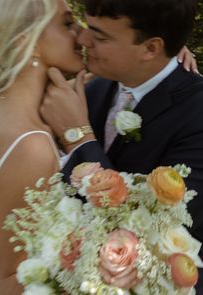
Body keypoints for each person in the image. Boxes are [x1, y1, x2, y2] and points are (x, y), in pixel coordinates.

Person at [40, 0, 203, 293]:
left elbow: (160, 228)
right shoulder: (92, 89)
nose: (82, 39)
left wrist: (79, 138)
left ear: (151, 48)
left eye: (100, 36)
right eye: (86, 27)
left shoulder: (197, 111)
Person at [0, 0, 85, 294]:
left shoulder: (3, 112)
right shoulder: (30, 146)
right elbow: (3, 281)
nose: (81, 33)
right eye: (67, 23)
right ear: (28, 44)